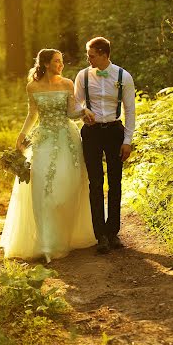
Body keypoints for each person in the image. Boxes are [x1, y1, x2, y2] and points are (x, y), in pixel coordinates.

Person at [0, 49, 96, 262]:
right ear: (44, 63)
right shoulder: (32, 86)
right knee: (42, 186)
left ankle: (66, 235)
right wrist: (22, 134)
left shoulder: (67, 84)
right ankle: (47, 242)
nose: (61, 64)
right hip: (43, 140)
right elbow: (32, 114)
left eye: (61, 61)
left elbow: (71, 112)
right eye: (56, 61)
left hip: (67, 139)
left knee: (68, 186)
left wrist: (84, 112)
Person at [74, 37, 135, 254]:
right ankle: (99, 234)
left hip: (114, 131)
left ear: (103, 54)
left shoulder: (123, 76)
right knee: (95, 182)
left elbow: (130, 110)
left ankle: (113, 232)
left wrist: (127, 141)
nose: (88, 59)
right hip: (91, 133)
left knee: (116, 182)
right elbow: (75, 102)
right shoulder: (82, 76)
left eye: (91, 55)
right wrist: (83, 111)